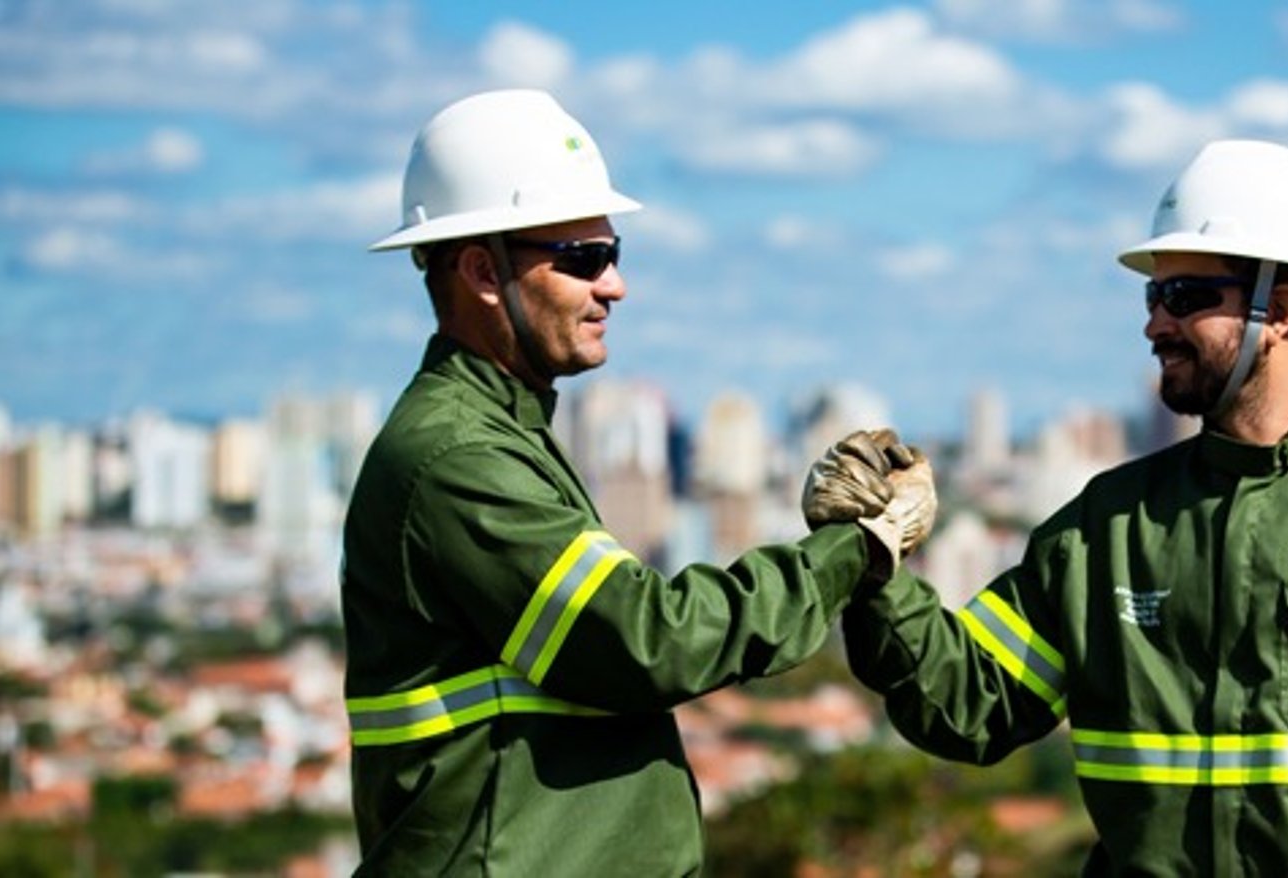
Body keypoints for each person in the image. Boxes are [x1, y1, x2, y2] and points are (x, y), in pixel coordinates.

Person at [819, 140, 1288, 874]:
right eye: (1152, 296)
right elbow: (968, 703)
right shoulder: (1105, 528)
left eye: (1184, 297)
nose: (1154, 324)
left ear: (1281, 312)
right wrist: (872, 564)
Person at [341, 89, 928, 875]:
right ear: (484, 271)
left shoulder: (504, 434)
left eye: (614, 254)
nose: (615, 286)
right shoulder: (458, 458)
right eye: (584, 259)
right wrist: (856, 550)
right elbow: (649, 642)